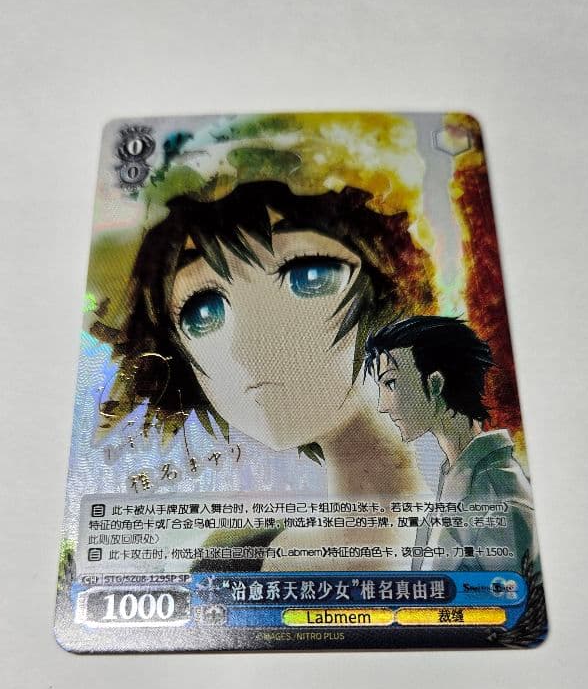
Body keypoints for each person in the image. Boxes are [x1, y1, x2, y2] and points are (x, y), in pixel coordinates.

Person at [88, 113, 443, 569]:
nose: (247, 346)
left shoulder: (490, 528)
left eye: (309, 275)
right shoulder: (232, 560)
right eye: (203, 311)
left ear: (394, 289)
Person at [364, 315, 538, 573]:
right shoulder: (458, 484)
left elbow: (520, 595)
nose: (382, 405)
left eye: (391, 383)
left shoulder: (499, 500)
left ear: (435, 383)